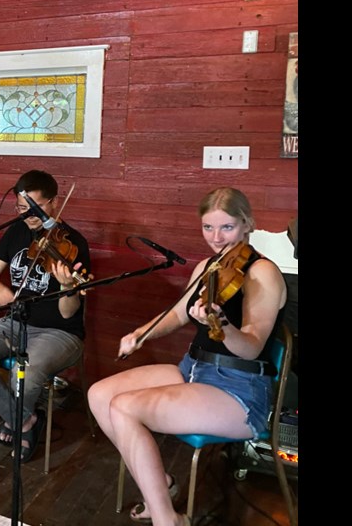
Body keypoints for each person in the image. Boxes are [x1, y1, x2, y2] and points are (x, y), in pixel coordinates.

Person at [87, 187, 287, 526]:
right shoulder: (209, 267)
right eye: (208, 227)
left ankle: (167, 519)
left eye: (226, 227)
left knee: (124, 408)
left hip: (238, 389)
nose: (216, 237)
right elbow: (178, 315)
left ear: (247, 224)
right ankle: (158, 486)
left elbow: (252, 346)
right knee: (99, 395)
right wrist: (141, 333)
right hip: (193, 369)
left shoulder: (262, 273)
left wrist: (223, 325)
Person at [0, 170, 90, 463]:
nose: (28, 215)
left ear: (54, 203)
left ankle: (16, 421)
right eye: (21, 207)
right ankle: (25, 420)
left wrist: (68, 286)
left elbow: (69, 312)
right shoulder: (16, 231)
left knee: (28, 373)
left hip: (60, 332)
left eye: (35, 207)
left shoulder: (74, 243)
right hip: (15, 321)